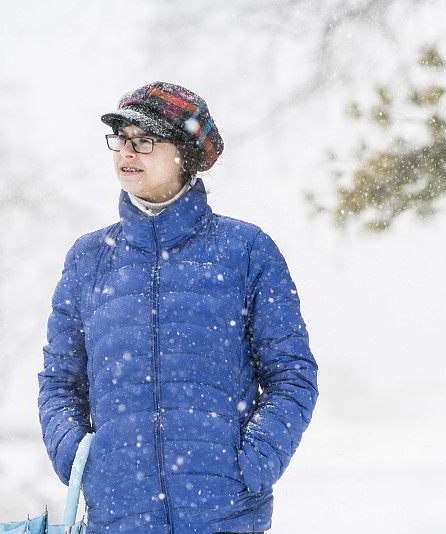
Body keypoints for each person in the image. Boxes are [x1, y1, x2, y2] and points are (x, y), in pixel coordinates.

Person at [36, 81, 319, 534]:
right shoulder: (89, 259)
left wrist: (252, 464)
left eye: (143, 140)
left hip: (226, 518)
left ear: (183, 154)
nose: (126, 152)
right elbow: (60, 383)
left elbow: (292, 375)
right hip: (118, 520)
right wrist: (80, 461)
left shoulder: (246, 251)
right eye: (120, 140)